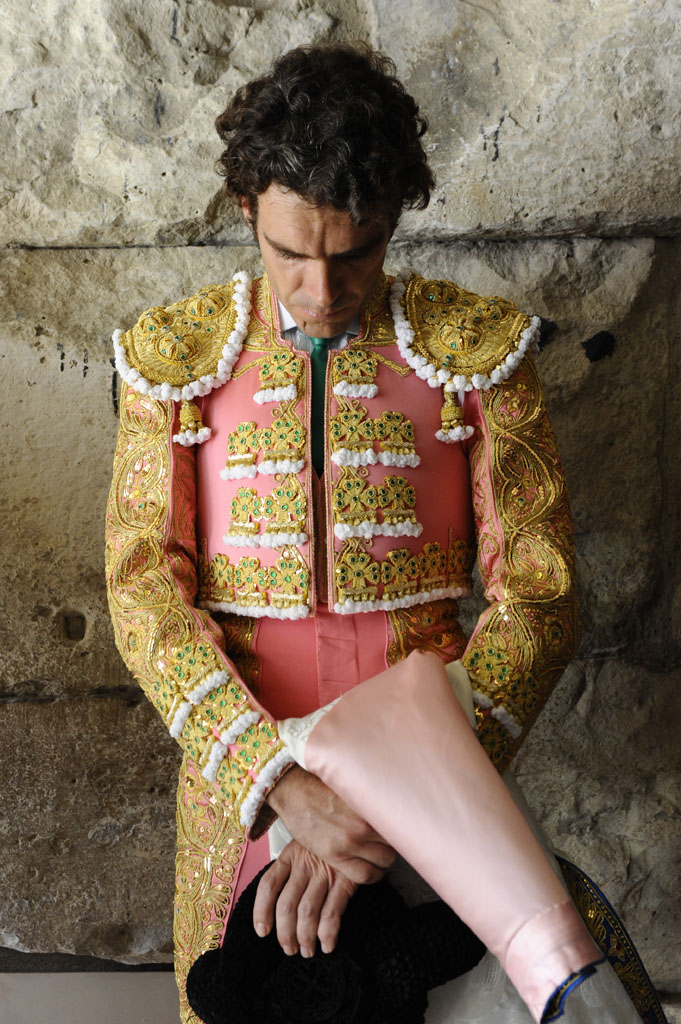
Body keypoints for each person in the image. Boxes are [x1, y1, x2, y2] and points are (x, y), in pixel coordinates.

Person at [105, 43, 657, 1024]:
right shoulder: (172, 360)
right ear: (246, 211)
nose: (320, 289)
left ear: (395, 219)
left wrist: (396, 795)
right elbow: (144, 585)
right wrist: (273, 780)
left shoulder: (476, 352)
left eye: (353, 253)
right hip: (248, 779)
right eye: (290, 254)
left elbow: (540, 585)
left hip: (434, 776)